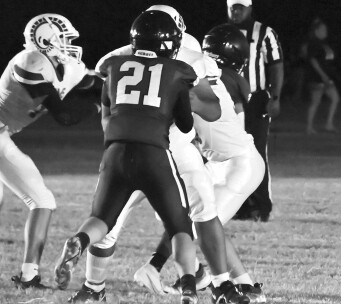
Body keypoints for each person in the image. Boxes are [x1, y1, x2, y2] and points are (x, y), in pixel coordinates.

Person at [67, 6, 249, 304]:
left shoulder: (121, 57)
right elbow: (209, 112)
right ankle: (213, 286)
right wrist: (177, 96)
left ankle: (92, 287)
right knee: (197, 215)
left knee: (110, 216)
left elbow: (108, 106)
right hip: (170, 144)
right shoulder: (188, 59)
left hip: (131, 144)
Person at [134, 23, 267, 303]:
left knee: (202, 220)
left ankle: (165, 267)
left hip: (239, 163)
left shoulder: (215, 79)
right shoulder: (213, 75)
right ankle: (242, 284)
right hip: (217, 160)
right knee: (204, 217)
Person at [0, 13, 100, 289]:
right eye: (63, 38)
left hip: (2, 135)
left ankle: (29, 276)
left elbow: (93, 84)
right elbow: (65, 115)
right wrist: (97, 106)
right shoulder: (30, 61)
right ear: (46, 39)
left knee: (43, 201)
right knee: (40, 201)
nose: (68, 44)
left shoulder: (56, 66)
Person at [227, 0, 284, 222]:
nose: (236, 10)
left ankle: (262, 205)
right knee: (231, 154)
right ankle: (238, 206)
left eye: (240, 6)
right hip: (229, 100)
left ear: (250, 8)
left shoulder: (264, 32)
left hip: (257, 98)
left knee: (257, 152)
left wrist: (275, 97)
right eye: (233, 6)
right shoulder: (222, 32)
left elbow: (276, 66)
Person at [304, 17, 341, 135]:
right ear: (316, 31)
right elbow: (313, 61)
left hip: (326, 78)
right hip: (317, 77)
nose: (325, 31)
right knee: (315, 101)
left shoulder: (323, 44)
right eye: (323, 29)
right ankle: (309, 127)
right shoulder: (314, 43)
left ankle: (328, 124)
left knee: (335, 98)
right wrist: (322, 74)